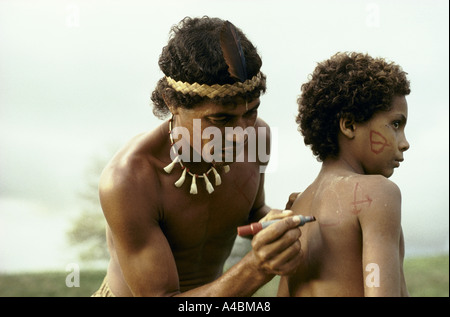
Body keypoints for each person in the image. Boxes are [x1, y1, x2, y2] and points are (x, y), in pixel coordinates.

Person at [92, 16, 303, 297]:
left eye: (250, 112)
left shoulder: (258, 136)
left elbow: (253, 212)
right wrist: (256, 268)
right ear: (172, 103)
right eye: (221, 119)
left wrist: (280, 221)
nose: (241, 135)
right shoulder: (129, 179)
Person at [277, 52, 411, 297]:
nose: (404, 143)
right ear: (349, 125)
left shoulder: (297, 208)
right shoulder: (378, 193)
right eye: (395, 125)